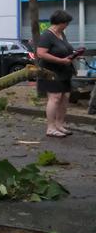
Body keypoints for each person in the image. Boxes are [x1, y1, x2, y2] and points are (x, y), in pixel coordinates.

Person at [35, 10, 77, 138]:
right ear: (60, 22)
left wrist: (74, 54)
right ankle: (51, 128)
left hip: (64, 71)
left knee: (65, 97)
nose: (67, 25)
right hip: (50, 71)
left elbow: (64, 49)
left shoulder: (61, 34)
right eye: (66, 23)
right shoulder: (47, 35)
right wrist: (61, 60)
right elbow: (41, 53)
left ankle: (59, 124)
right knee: (55, 97)